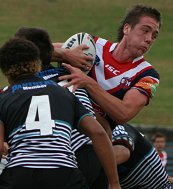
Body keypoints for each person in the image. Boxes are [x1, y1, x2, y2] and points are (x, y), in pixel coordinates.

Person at [0, 38, 124, 189]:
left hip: (19, 178)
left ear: (4, 70)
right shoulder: (65, 94)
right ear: (37, 64)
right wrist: (114, 185)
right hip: (64, 177)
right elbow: (99, 134)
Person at [53, 4, 161, 132]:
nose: (149, 39)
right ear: (127, 28)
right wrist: (65, 54)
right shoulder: (93, 45)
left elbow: (124, 113)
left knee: (123, 147)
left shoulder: (148, 76)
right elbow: (38, 51)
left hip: (97, 133)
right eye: (145, 30)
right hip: (63, 116)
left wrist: (88, 83)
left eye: (154, 36)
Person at [110, 124, 173, 189]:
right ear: (154, 143)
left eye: (162, 142)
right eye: (158, 142)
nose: (160, 144)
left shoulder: (163, 155)